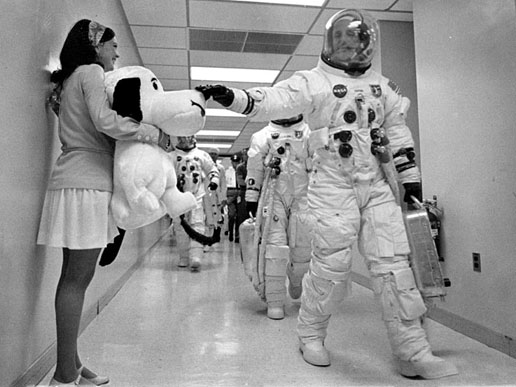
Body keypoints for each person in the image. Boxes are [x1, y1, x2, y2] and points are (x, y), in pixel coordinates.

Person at [196, 8, 458, 380]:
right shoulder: (313, 82)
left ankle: (413, 351)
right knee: (331, 266)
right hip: (332, 185)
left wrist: (410, 177)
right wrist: (232, 97)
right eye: (344, 41)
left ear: (368, 45)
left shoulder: (382, 87)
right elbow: (273, 99)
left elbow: (397, 133)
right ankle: (310, 334)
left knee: (394, 266)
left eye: (358, 41)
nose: (352, 48)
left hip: (376, 186)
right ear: (331, 43)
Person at [37, 19, 173, 386]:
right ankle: (65, 374)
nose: (116, 53)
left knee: (71, 279)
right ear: (96, 46)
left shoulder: (68, 80)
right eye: (112, 46)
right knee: (76, 282)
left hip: (72, 181)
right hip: (88, 186)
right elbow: (105, 121)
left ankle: (73, 363)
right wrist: (152, 134)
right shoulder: (91, 72)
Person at [245, 115, 312, 320]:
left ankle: (297, 278)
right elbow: (254, 167)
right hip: (274, 195)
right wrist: (251, 195)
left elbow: (322, 165)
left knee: (303, 246)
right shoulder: (262, 136)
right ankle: (275, 301)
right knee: (274, 247)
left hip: (304, 196)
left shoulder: (309, 133)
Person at [170, 136, 219, 271]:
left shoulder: (201, 155)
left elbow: (212, 170)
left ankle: (196, 256)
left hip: (197, 194)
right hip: (177, 195)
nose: (186, 139)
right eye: (182, 136)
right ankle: (184, 257)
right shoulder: (172, 156)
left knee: (198, 223)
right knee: (180, 227)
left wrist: (214, 181)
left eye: (189, 136)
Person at [206, 147, 227, 243]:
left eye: (214, 154)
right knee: (206, 217)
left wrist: (223, 198)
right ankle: (206, 237)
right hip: (207, 196)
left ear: (217, 156)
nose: (212, 155)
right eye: (211, 153)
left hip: (217, 196)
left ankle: (216, 236)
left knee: (218, 216)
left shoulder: (221, 168)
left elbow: (223, 183)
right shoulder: (204, 167)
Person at [225, 153, 241, 242]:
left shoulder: (242, 169)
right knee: (231, 215)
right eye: (234, 162)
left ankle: (237, 235)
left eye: (237, 162)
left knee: (239, 215)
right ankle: (230, 232)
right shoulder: (227, 171)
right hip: (231, 192)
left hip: (239, 192)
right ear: (231, 162)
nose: (235, 164)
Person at [235, 148, 249, 241]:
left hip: (255, 191)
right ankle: (238, 234)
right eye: (245, 155)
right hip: (244, 192)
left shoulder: (257, 166)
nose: (246, 156)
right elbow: (241, 182)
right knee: (241, 214)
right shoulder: (240, 167)